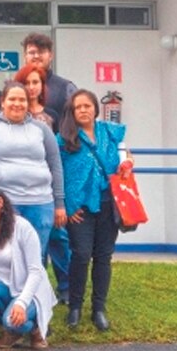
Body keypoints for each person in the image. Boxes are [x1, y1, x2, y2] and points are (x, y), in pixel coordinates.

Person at [0, 81, 66, 258]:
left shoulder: (42, 129)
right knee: (2, 253)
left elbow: (55, 165)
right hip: (2, 204)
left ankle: (34, 287)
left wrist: (59, 203)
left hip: (40, 202)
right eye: (12, 99)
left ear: (28, 103)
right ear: (3, 101)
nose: (17, 104)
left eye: (22, 100)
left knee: (35, 256)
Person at [59, 90, 130, 332]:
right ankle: (75, 307)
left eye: (87, 105)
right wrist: (67, 206)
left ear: (95, 108)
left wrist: (127, 162)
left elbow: (124, 152)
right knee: (80, 255)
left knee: (103, 257)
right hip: (79, 207)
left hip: (109, 203)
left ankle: (98, 308)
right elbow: (59, 174)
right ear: (72, 110)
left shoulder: (110, 131)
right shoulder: (64, 138)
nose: (83, 110)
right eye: (78, 107)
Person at [21, 32, 76, 302]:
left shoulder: (64, 90)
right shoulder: (13, 94)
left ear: (50, 55)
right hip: (22, 185)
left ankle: (66, 289)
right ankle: (38, 290)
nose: (36, 56)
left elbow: (71, 134)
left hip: (51, 179)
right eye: (32, 51)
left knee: (59, 238)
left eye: (41, 51)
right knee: (34, 243)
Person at [0, 185, 56, 349]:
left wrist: (22, 303)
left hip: (31, 292)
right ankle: (28, 329)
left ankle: (26, 328)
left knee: (10, 321)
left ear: (0, 202)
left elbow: (36, 271)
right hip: (5, 290)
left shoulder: (22, 227)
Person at [15, 63, 59, 131]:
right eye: (26, 83)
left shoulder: (52, 115)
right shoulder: (14, 112)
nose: (31, 87)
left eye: (35, 82)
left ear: (42, 85)